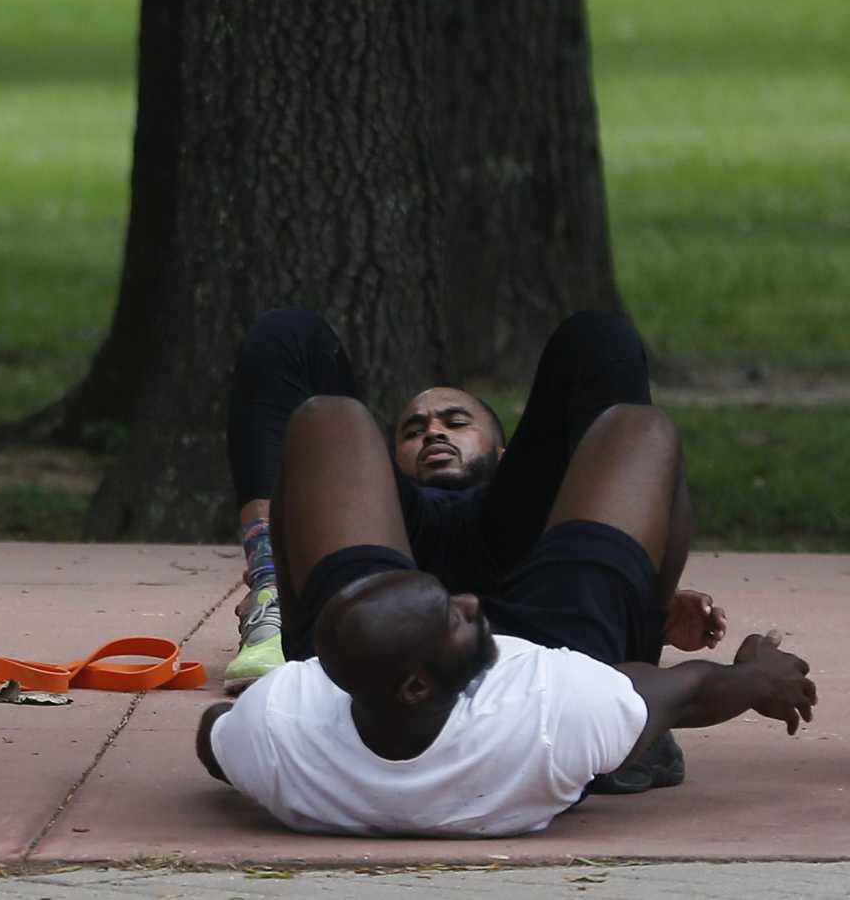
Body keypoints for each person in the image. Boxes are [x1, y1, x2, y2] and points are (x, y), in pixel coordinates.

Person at [194, 393, 816, 837]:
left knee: (325, 417)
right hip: (558, 656)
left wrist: (257, 734)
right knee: (642, 429)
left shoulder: (281, 725)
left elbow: (214, 738)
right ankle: (629, 753)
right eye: (455, 614)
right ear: (416, 685)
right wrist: (759, 675)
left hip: (370, 664)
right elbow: (693, 689)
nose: (467, 598)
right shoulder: (550, 715)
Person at [222, 310, 725, 694]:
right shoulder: (382, 496)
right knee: (288, 332)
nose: (433, 431)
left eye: (456, 422)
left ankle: (624, 676)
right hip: (391, 559)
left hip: (522, 559)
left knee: (600, 336)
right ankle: (269, 595)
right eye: (413, 430)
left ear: (506, 453)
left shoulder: (528, 490)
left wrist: (650, 599)